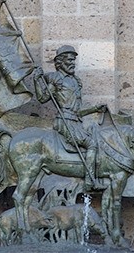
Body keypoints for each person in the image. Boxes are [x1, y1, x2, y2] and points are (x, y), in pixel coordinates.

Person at [33, 45, 107, 191]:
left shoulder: (76, 81)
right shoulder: (54, 78)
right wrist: (37, 80)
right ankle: (89, 182)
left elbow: (78, 111)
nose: (72, 63)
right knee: (92, 144)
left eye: (73, 60)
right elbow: (42, 98)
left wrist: (94, 109)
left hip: (76, 121)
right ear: (60, 62)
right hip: (64, 122)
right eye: (69, 60)